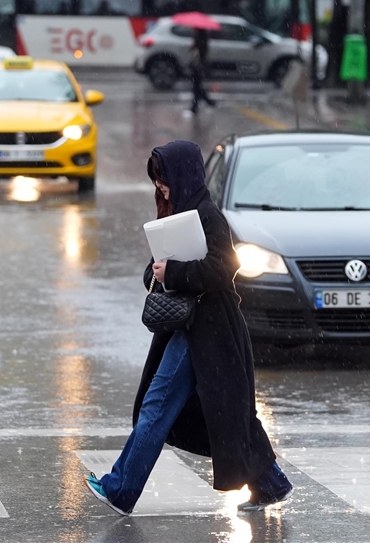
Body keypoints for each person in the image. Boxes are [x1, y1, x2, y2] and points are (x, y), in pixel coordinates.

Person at [83, 141, 292, 516]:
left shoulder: (209, 217)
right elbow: (152, 270)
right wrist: (160, 272)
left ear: (182, 175)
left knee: (160, 406)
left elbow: (223, 268)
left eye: (163, 178)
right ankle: (271, 483)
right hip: (189, 328)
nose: (160, 186)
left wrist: (175, 272)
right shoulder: (177, 214)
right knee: (229, 414)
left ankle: (120, 488)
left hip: (210, 330)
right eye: (157, 180)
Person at [188, 30, 216, 114]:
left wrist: (193, 45)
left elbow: (198, 51)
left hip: (198, 65)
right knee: (197, 86)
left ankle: (195, 106)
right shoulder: (202, 36)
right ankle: (207, 101)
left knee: (196, 86)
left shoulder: (200, 36)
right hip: (199, 64)